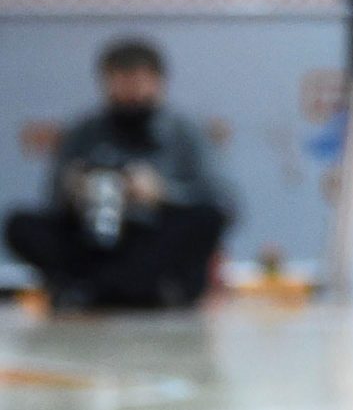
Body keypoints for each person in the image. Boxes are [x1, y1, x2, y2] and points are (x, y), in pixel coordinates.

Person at [3, 40, 229, 309]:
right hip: (95, 239)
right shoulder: (84, 131)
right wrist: (75, 191)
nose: (130, 92)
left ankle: (96, 289)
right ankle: (117, 289)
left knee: (205, 219)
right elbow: (52, 202)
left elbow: (222, 201)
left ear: (157, 82)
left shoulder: (185, 132)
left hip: (153, 240)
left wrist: (163, 192)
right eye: (121, 81)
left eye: (138, 82)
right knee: (21, 223)